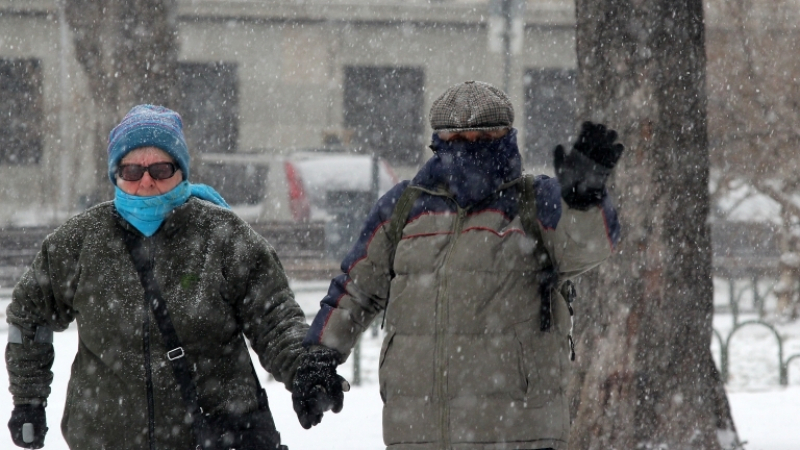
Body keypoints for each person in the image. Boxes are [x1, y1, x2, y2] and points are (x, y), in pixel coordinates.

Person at [295, 81, 623, 449]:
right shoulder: (404, 207)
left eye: (483, 135)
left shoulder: (537, 201)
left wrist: (583, 202)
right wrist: (319, 357)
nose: (468, 145)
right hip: (417, 429)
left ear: (506, 134)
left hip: (520, 431)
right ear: (439, 138)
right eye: (456, 135)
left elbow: (589, 245)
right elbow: (356, 289)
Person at [5, 105, 345, 449]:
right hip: (107, 439)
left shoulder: (223, 237)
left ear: (181, 171)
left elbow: (275, 319)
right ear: (116, 174)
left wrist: (304, 369)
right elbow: (29, 314)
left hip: (218, 437)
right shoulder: (79, 242)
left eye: (161, 168)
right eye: (132, 169)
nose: (147, 180)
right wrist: (29, 400)